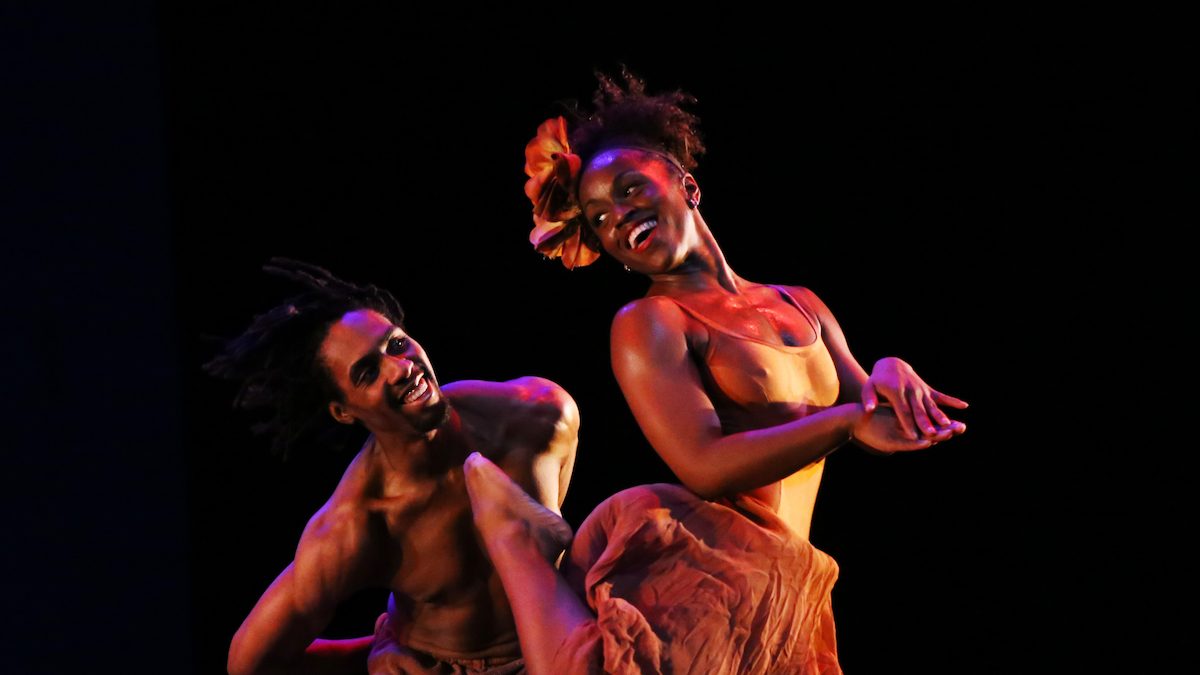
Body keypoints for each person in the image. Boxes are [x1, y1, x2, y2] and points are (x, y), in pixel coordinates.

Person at [387, 70, 969, 675]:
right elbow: (705, 465)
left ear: (687, 187)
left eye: (630, 190)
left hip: (785, 575)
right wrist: (850, 421)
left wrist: (890, 372)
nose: (618, 218)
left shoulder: (800, 302)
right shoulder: (651, 322)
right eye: (600, 219)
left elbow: (865, 409)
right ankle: (515, 538)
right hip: (708, 563)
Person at [205, 258, 578, 675]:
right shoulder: (356, 525)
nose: (402, 369)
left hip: (565, 645)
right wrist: (375, 654)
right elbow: (248, 662)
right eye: (367, 372)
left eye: (397, 345)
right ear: (343, 412)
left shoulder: (538, 418)